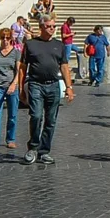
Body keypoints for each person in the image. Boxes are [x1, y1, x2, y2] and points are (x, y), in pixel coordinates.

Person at [17, 16, 75, 164]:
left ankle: (44, 151)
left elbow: (64, 67)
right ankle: (33, 147)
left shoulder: (59, 45)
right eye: (49, 26)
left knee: (51, 120)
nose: (52, 29)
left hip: (53, 85)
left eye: (54, 26)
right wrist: (21, 88)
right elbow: (23, 68)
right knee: (36, 116)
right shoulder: (30, 44)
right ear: (41, 27)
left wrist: (69, 87)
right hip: (36, 84)